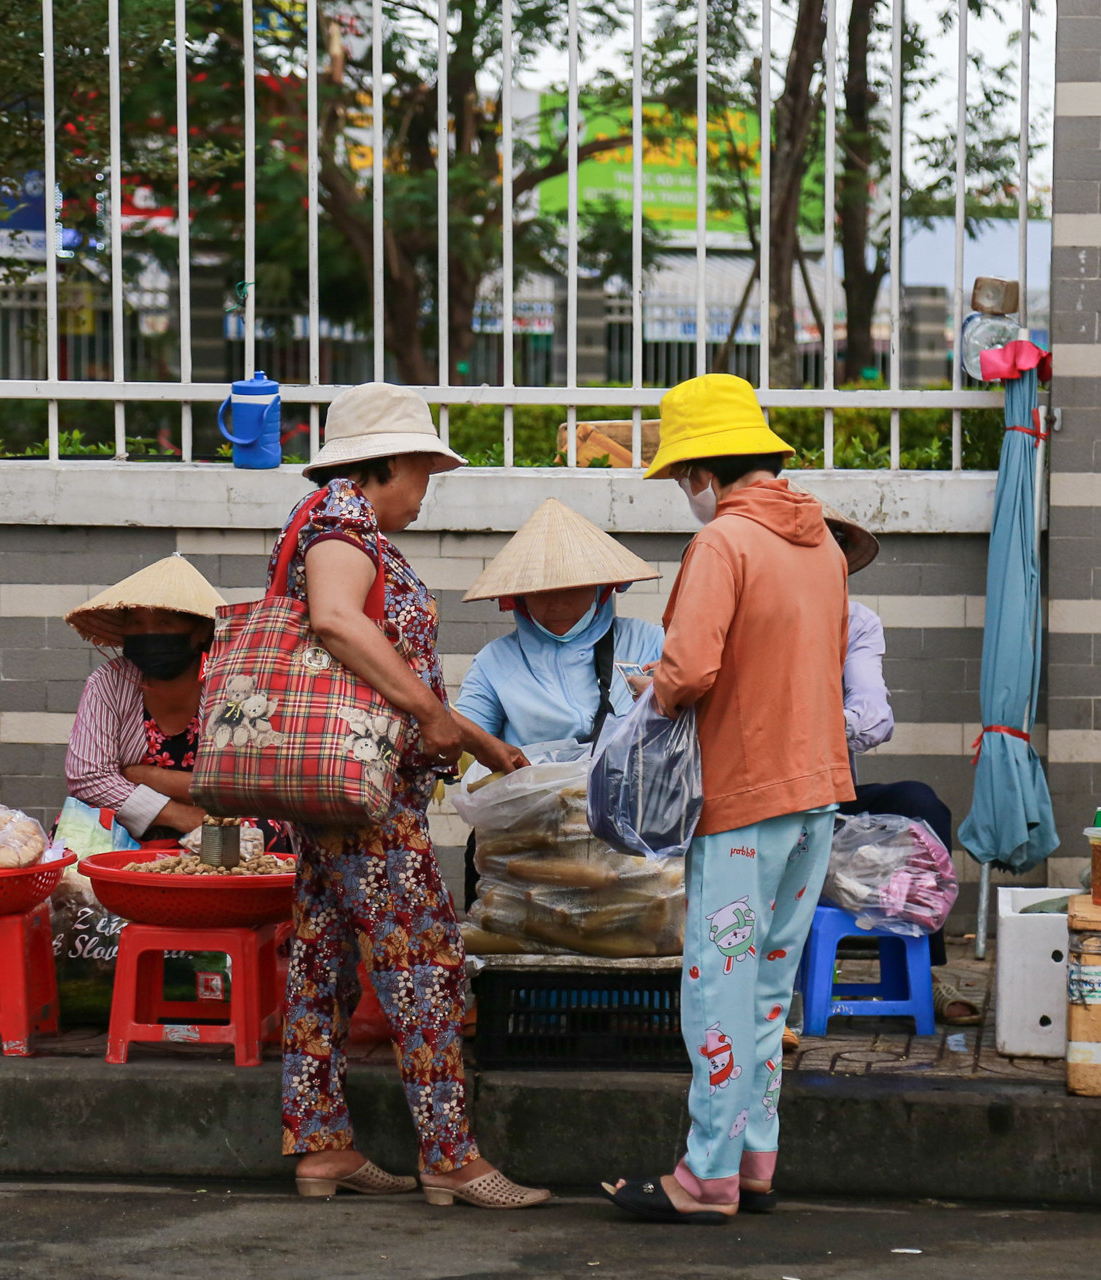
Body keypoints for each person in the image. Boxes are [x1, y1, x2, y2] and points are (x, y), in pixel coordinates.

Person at [271, 381, 547, 1210]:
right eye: (424, 470)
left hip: (336, 789)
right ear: (382, 464)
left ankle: (322, 1146)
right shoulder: (340, 524)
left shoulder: (335, 523)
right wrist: (432, 714)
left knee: (320, 961)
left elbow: (373, 664)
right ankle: (449, 1155)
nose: (427, 488)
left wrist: (482, 742)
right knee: (425, 961)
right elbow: (336, 623)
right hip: (366, 800)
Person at [603, 374, 856, 1224]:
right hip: (816, 792)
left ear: (706, 469)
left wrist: (659, 693)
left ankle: (705, 1175)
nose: (686, 493)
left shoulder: (724, 545)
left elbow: (692, 668)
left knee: (718, 985)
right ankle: (755, 1157)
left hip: (743, 797)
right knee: (769, 989)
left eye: (684, 477)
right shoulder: (822, 544)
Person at [815, 501, 978, 1028]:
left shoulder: (855, 623)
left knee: (919, 805)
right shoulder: (753, 613)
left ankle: (922, 970)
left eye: (831, 554)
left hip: (831, 791)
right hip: (767, 795)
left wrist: (812, 725)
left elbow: (875, 716)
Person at [454, 498, 665, 903]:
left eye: (571, 591)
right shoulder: (496, 661)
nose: (556, 605)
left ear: (602, 590)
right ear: (516, 599)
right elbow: (465, 734)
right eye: (540, 593)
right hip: (529, 841)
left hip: (631, 840)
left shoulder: (648, 641)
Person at [65, 555, 277, 842]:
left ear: (200, 630)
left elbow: (249, 783)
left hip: (222, 821)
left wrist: (145, 776)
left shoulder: (232, 685)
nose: (148, 635)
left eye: (164, 624)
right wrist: (183, 816)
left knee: (264, 833)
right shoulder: (109, 682)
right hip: (129, 827)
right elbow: (87, 777)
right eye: (136, 623)